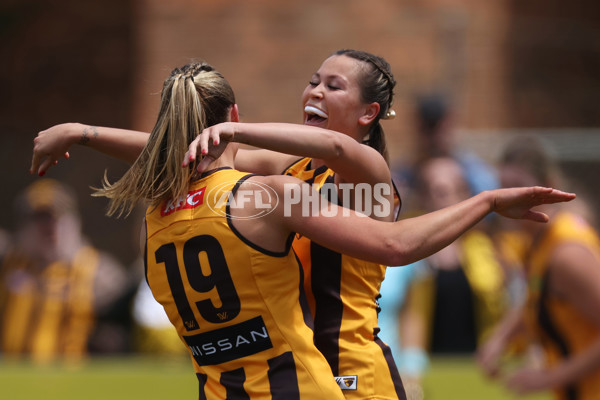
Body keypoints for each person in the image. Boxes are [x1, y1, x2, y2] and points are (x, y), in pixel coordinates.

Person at [29, 54, 573, 399]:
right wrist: (83, 131)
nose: (314, 91)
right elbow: (184, 148)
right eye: (312, 81)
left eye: (334, 86)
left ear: (368, 113)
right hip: (293, 367)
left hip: (354, 371)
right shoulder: (282, 172)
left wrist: (227, 129)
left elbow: (332, 148)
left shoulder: (369, 172)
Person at [477, 136, 600, 399]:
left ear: (549, 188)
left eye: (518, 187)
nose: (508, 199)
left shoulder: (567, 254)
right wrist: (501, 338)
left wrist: (549, 376)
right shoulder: (536, 242)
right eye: (502, 188)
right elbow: (539, 296)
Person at [383, 157, 507, 398]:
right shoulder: (410, 249)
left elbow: (502, 301)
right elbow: (410, 315)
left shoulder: (484, 249)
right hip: (427, 368)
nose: (444, 198)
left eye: (452, 190)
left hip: (474, 369)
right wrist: (411, 365)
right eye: (436, 191)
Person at [0, 179, 132, 365]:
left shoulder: (100, 272)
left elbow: (118, 335)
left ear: (74, 223)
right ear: (22, 227)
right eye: (39, 219)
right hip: (11, 382)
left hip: (72, 385)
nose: (49, 228)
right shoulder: (7, 261)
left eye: (56, 218)